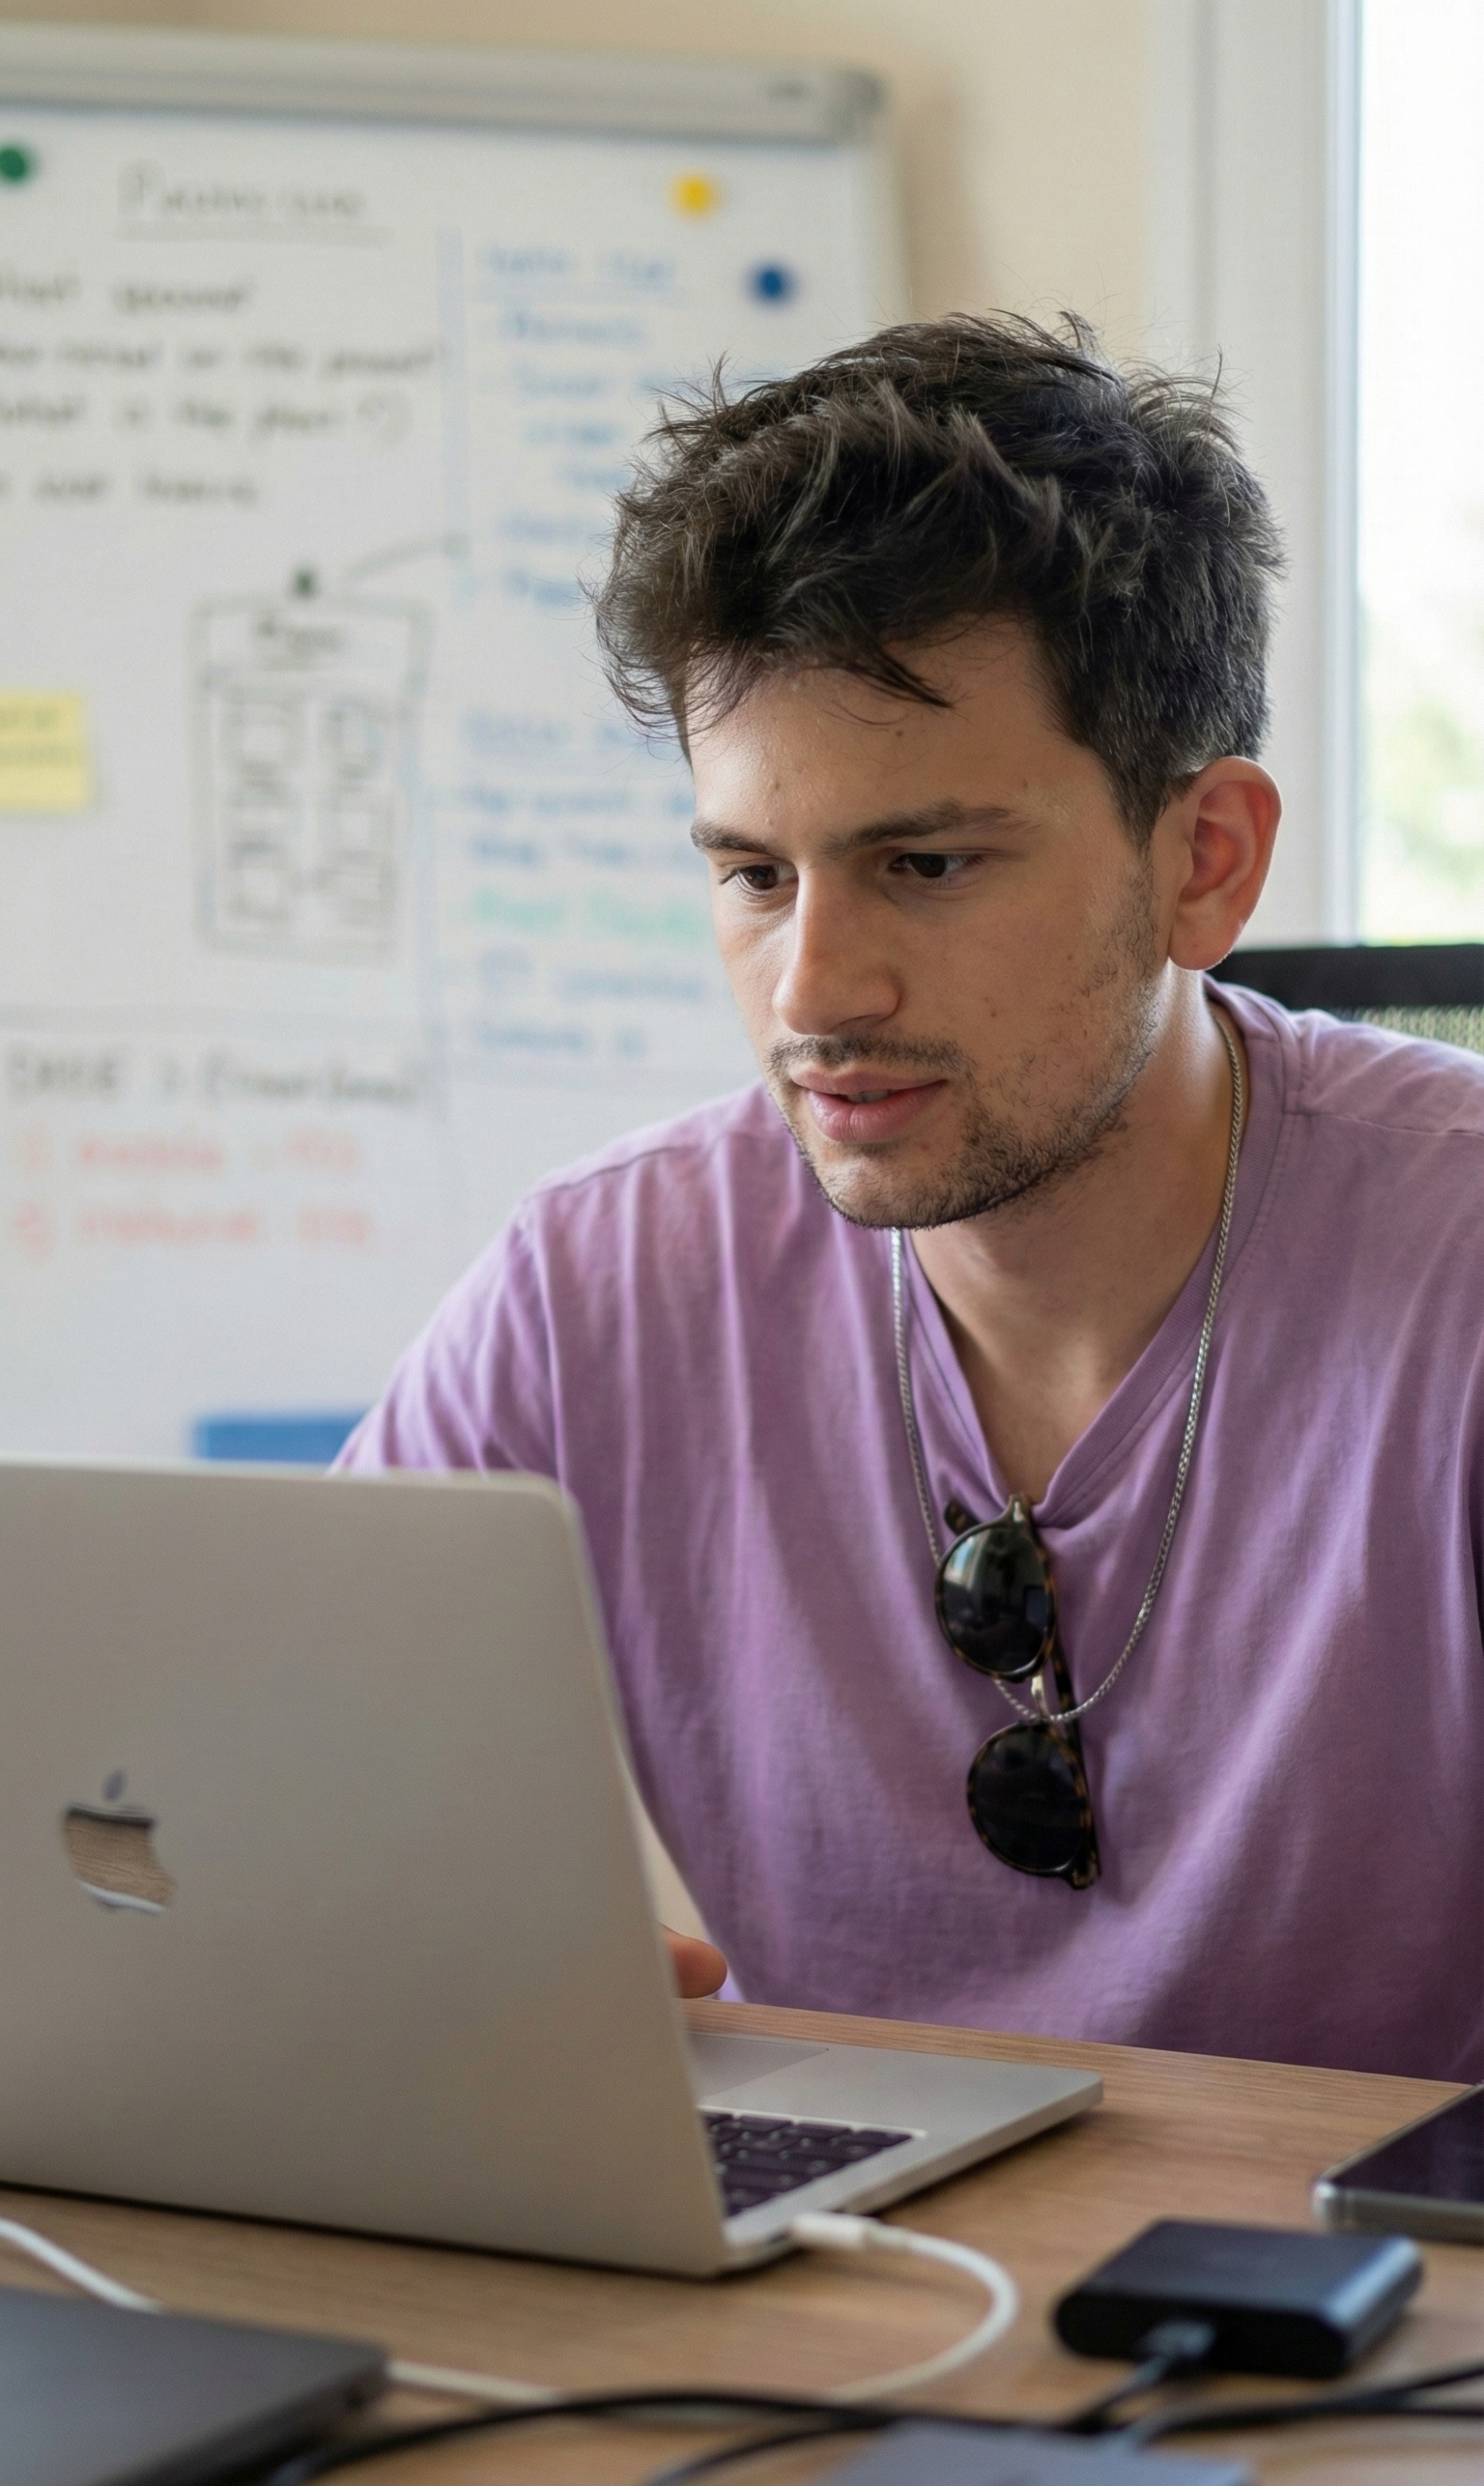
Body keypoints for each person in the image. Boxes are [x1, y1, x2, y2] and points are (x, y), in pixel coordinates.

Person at [339, 315, 1484, 2082]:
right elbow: (254, 1801)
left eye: (925, 865)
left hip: (1372, 2318)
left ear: (1205, 860)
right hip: (827, 2291)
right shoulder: (599, 1284)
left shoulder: (1456, 1265)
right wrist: (421, 1957)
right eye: (752, 874)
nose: (812, 991)